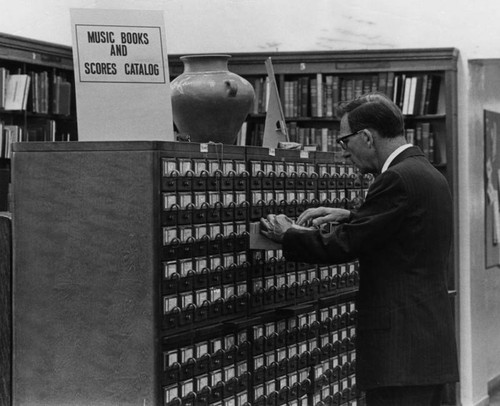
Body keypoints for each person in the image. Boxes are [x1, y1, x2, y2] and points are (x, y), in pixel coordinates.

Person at [260, 92, 459, 406]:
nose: (343, 155)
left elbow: (345, 245)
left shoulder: (394, 178)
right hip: (428, 346)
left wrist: (288, 235)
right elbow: (404, 234)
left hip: (400, 350)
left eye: (344, 142)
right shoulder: (428, 173)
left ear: (367, 136)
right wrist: (353, 217)